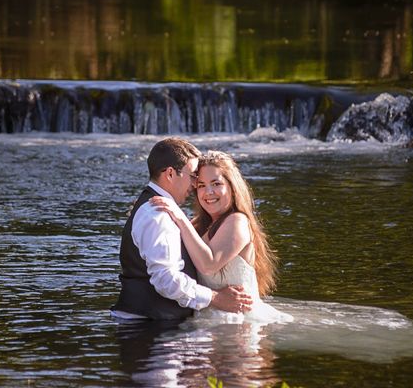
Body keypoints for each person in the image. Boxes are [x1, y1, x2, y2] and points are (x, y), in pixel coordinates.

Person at [111, 138, 253, 321]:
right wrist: (216, 298)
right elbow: (166, 280)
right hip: (147, 326)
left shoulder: (158, 209)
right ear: (170, 174)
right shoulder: (159, 214)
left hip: (151, 321)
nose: (195, 185)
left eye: (215, 183)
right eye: (194, 177)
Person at [150, 150, 293, 323]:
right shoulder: (197, 225)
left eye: (216, 183)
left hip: (240, 324)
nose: (208, 192)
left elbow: (208, 264)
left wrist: (178, 216)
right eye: (201, 185)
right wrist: (150, 213)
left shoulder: (237, 221)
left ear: (232, 186)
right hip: (208, 321)